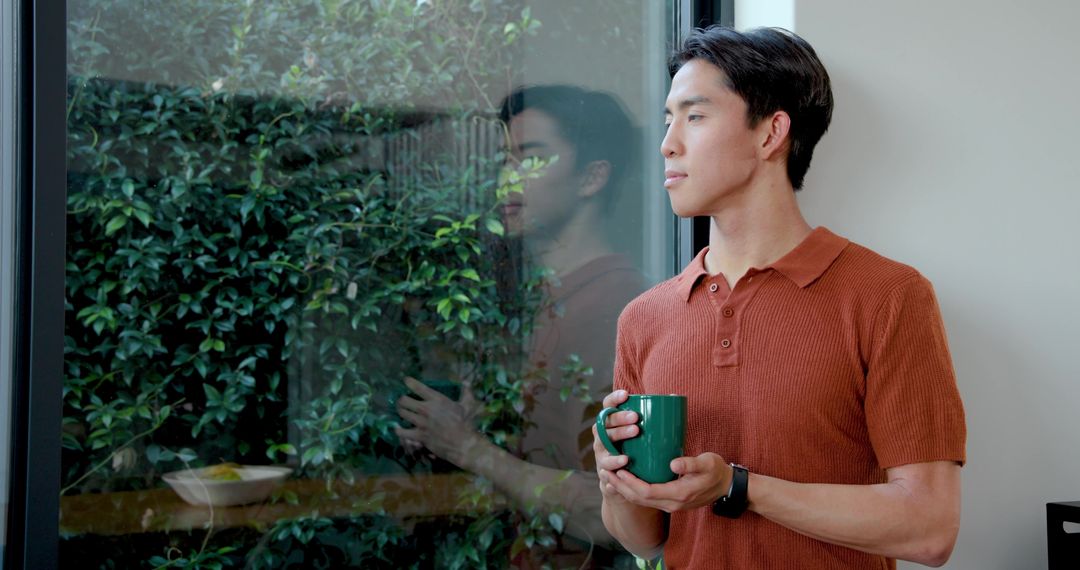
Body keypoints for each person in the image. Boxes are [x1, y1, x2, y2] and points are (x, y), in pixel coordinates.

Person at [593, 26, 966, 569]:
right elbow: (646, 540)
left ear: (771, 133)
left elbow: (930, 527)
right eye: (669, 119)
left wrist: (738, 487)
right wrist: (615, 481)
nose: (667, 143)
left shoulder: (889, 296)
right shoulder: (644, 318)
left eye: (694, 117)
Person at [397, 85, 646, 567]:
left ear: (592, 177)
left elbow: (610, 516)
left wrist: (467, 447)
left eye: (529, 158)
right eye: (504, 160)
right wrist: (459, 431)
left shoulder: (619, 308)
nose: (506, 178)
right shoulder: (538, 301)